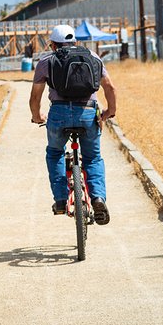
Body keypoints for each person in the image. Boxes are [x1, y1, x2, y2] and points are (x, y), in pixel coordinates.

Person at [29, 24, 117, 225]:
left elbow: (35, 97)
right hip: (87, 112)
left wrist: (37, 116)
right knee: (93, 158)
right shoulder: (93, 57)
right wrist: (109, 111)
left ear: (53, 45)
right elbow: (110, 87)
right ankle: (98, 198)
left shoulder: (46, 62)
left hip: (58, 113)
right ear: (75, 42)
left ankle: (60, 200)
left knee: (55, 153)